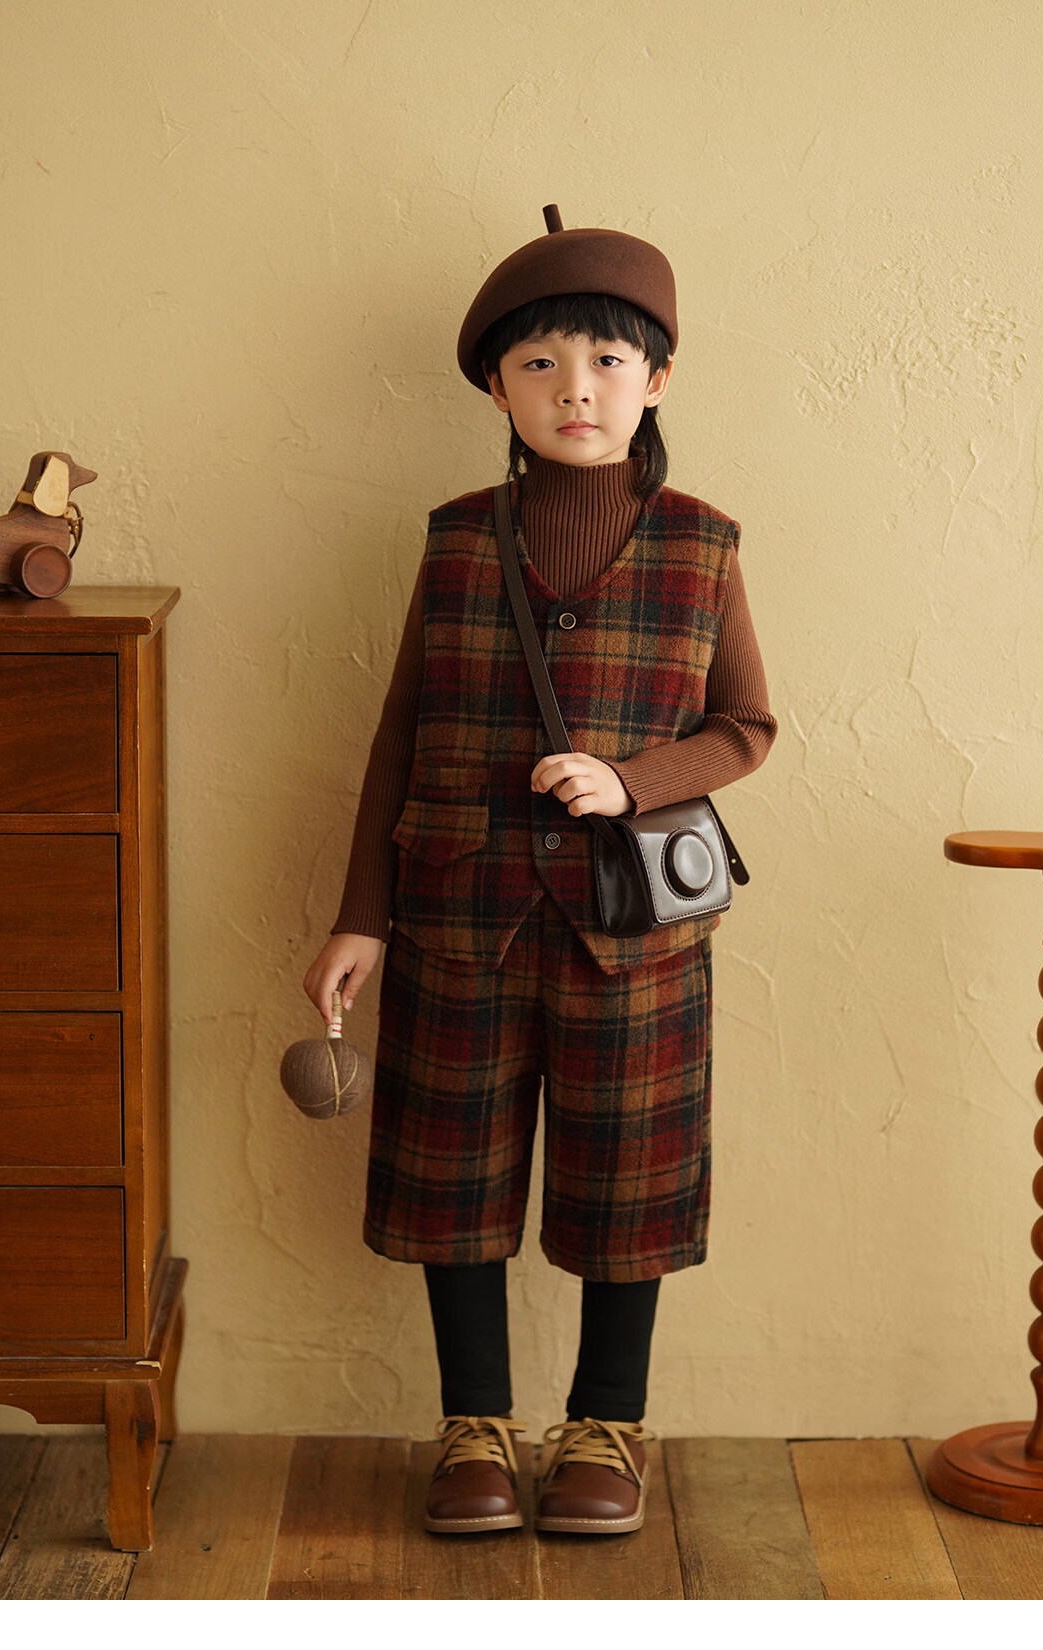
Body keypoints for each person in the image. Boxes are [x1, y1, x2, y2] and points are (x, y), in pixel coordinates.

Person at [304, 204, 777, 1536]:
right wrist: (360, 917)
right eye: (542, 364)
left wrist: (631, 780)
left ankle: (607, 1426)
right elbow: (401, 731)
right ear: (500, 389)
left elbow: (746, 727)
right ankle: (475, 1427)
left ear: (657, 379)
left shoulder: (704, 544)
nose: (577, 389)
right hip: (458, 917)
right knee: (452, 1171)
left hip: (635, 930)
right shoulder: (458, 538)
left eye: (608, 361)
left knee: (630, 1174)